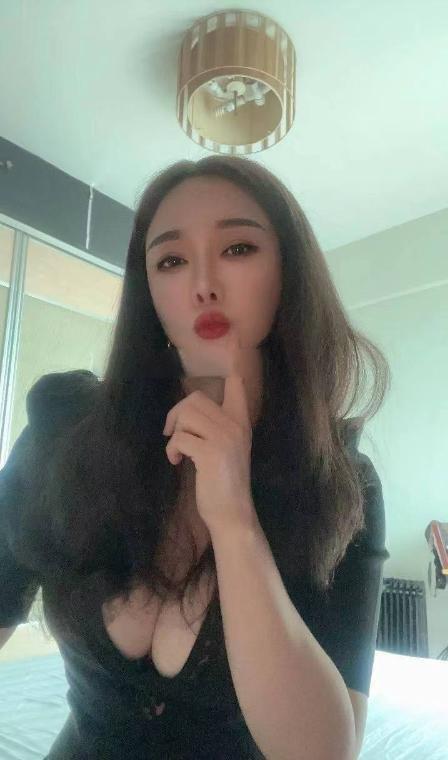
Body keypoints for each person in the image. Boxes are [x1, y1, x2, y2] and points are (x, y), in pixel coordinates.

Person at [0, 156, 391, 759]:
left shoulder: (340, 483)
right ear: (150, 293)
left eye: (237, 249)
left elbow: (324, 752)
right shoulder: (65, 430)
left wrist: (235, 521)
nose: (203, 284)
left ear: (288, 276)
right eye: (171, 260)